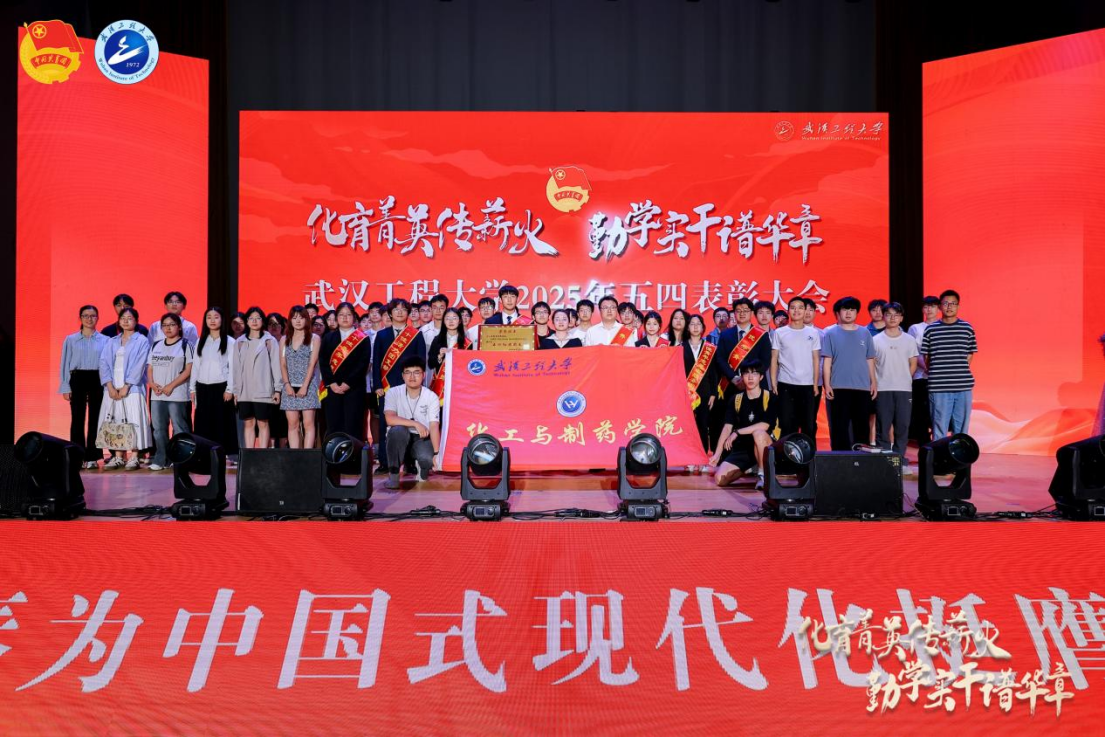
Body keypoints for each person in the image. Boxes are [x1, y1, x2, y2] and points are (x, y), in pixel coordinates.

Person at [373, 299, 428, 467]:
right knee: (385, 424)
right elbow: (376, 362)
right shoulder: (381, 335)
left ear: (408, 313)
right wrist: (377, 385)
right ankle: (385, 462)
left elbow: (421, 361)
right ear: (390, 313)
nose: (399, 312)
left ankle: (410, 463)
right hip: (387, 386)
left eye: (403, 309)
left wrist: (417, 384)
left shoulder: (416, 334)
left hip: (410, 386)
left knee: (410, 422)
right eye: (396, 309)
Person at [96, 307, 152, 470]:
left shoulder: (141, 340)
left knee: (134, 419)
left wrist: (127, 385)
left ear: (136, 321)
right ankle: (118, 456)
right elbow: (103, 363)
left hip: (132, 388)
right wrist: (109, 386)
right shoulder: (112, 341)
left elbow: (140, 365)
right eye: (123, 318)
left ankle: (134, 456)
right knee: (116, 420)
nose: (126, 321)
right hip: (112, 388)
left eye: (130, 318)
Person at [712, 298, 772, 450]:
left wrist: (751, 378)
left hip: (756, 387)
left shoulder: (761, 335)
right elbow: (720, 359)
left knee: (755, 420)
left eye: (745, 311)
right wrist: (733, 378)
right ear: (734, 314)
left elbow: (766, 360)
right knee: (729, 421)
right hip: (732, 385)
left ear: (751, 313)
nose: (742, 313)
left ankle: (757, 454)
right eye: (738, 311)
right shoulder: (726, 334)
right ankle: (728, 454)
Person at [710, 362, 780, 490]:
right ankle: (751, 466)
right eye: (746, 373)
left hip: (764, 445)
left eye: (754, 373)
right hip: (743, 449)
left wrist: (737, 432)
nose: (750, 377)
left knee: (758, 433)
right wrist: (717, 453)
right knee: (720, 479)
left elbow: (764, 425)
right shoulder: (736, 399)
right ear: (742, 377)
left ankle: (762, 475)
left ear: (761, 377)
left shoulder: (770, 397)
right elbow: (727, 427)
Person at [821, 296, 877, 450]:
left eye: (852, 310)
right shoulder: (831, 333)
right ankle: (840, 458)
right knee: (839, 426)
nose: (848, 313)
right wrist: (827, 384)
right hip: (838, 386)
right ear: (838, 312)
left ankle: (861, 458)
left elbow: (870, 359)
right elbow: (827, 361)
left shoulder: (865, 333)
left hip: (862, 387)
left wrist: (873, 382)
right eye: (845, 309)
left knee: (861, 425)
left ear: (857, 312)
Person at [921, 289, 977, 437]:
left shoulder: (967, 328)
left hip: (963, 386)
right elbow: (927, 358)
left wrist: (958, 370)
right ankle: (940, 453)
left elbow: (969, 355)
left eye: (953, 303)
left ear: (958, 306)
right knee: (939, 428)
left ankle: (959, 453)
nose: (949, 306)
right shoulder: (931, 329)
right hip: (939, 387)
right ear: (940, 306)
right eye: (946, 303)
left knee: (961, 429)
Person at [59, 304, 108, 468]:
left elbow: (108, 364)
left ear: (97, 318)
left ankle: (93, 456)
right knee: (77, 419)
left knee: (96, 418)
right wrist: (65, 386)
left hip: (97, 378)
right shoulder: (71, 339)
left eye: (93, 316)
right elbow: (65, 363)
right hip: (77, 378)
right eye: (85, 316)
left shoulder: (105, 340)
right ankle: (77, 456)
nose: (89, 319)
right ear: (80, 318)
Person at [383, 356, 440, 488]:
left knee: (427, 459)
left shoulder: (431, 397)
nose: (412, 377)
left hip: (422, 438)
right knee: (397, 431)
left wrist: (437, 454)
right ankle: (394, 475)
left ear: (423, 375)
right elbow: (389, 419)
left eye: (416, 372)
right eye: (408, 372)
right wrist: (415, 423)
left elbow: (433, 426)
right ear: (403, 376)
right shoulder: (393, 392)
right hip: (400, 436)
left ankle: (422, 467)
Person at [873, 302, 918, 468]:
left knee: (902, 425)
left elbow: (913, 363)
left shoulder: (909, 340)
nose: (892, 318)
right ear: (883, 317)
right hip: (882, 388)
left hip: (904, 389)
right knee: (883, 425)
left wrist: (904, 378)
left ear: (901, 318)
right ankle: (884, 459)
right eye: (889, 314)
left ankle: (899, 458)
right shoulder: (876, 340)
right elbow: (872, 364)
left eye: (896, 315)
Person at [147, 313, 194, 471]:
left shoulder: (186, 345)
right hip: (157, 395)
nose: (168, 328)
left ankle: (181, 459)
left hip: (177, 394)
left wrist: (171, 385)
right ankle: (161, 459)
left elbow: (189, 369)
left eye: (172, 325)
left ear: (179, 327)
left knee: (180, 428)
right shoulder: (156, 345)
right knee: (158, 429)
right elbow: (150, 367)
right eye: (165, 325)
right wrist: (152, 383)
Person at [770, 296, 821, 443]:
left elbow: (815, 359)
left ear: (805, 311)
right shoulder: (780, 332)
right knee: (786, 424)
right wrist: (773, 382)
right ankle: (786, 455)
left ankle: (809, 456)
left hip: (807, 385)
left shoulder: (813, 333)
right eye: (793, 308)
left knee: (808, 425)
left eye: (800, 308)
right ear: (788, 311)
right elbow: (774, 358)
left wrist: (815, 384)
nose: (796, 311)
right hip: (785, 383)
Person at [318, 302, 372, 441]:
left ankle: (353, 455)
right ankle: (334, 454)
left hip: (354, 388)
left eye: (348, 315)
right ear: (337, 318)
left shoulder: (363, 338)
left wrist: (348, 383)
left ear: (354, 317)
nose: (345, 318)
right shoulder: (328, 337)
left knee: (353, 426)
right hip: (333, 388)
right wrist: (332, 383)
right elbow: (323, 362)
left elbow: (363, 364)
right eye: (341, 315)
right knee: (334, 425)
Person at [190, 307, 238, 459]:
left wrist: (230, 389)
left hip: (221, 387)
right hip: (202, 387)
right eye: (209, 317)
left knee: (221, 422)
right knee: (202, 422)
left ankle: (222, 454)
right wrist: (192, 388)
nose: (212, 320)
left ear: (222, 320)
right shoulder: (200, 340)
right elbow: (196, 365)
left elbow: (233, 367)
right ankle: (203, 454)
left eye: (216, 317)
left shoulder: (230, 341)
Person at [233, 306, 283, 450]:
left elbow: (276, 366)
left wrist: (277, 389)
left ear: (263, 321)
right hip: (245, 391)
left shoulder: (270, 341)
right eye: (251, 318)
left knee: (263, 422)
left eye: (258, 318)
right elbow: (236, 368)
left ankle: (262, 455)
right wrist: (236, 391)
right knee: (248, 423)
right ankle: (249, 454)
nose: (254, 321)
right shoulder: (240, 342)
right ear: (247, 321)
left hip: (264, 389)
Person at [280, 305, 322, 449]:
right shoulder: (284, 339)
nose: (298, 321)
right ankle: (295, 455)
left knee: (308, 423)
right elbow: (283, 364)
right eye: (294, 318)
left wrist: (304, 387)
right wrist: (287, 385)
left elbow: (312, 363)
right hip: (289, 386)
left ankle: (307, 456)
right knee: (292, 424)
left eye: (301, 317)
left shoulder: (314, 338)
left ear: (307, 319)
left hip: (308, 385)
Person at [683, 313, 717, 472]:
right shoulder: (681, 347)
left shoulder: (709, 348)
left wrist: (713, 393)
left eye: (698, 324)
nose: (695, 327)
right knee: (688, 426)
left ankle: (702, 458)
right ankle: (689, 458)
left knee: (703, 426)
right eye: (692, 324)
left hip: (705, 392)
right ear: (688, 327)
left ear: (703, 328)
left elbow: (714, 372)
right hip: (686, 393)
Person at [907, 295, 941, 444]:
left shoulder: (944, 326)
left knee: (939, 411)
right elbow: (913, 351)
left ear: (938, 308)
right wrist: (927, 368)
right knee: (921, 412)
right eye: (926, 306)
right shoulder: (915, 328)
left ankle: (939, 440)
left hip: (941, 378)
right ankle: (924, 444)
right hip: (921, 377)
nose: (929, 309)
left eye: (933, 306)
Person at [427, 307, 471, 398]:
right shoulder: (437, 340)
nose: (451, 321)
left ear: (459, 321)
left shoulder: (467, 343)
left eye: (454, 318)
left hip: (458, 385)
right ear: (444, 321)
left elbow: (468, 367)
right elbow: (430, 364)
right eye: (447, 318)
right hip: (440, 385)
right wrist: (439, 356)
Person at [802, 297, 825, 438]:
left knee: (810, 420)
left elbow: (824, 360)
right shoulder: (787, 332)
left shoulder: (822, 334)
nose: (808, 313)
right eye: (805, 309)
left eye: (811, 310)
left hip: (814, 383)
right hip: (792, 381)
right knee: (792, 419)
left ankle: (810, 448)